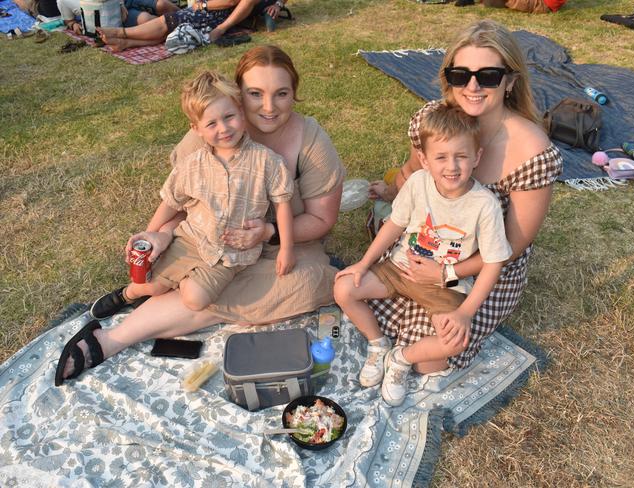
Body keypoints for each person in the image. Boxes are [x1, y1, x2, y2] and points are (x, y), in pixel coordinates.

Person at [55, 45, 345, 385]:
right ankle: (111, 337)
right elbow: (180, 201)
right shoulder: (214, 129)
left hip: (282, 246)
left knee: (310, 282)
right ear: (238, 95)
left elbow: (322, 220)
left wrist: (269, 234)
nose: (269, 107)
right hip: (204, 239)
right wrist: (158, 235)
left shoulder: (310, 139)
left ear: (294, 93)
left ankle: (129, 319)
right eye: (255, 94)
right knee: (205, 283)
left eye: (281, 93)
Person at [366, 19, 562, 375]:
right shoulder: (432, 119)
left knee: (435, 356)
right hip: (426, 238)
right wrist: (391, 192)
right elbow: (413, 172)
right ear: (449, 78)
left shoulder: (532, 151)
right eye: (461, 75)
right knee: (368, 304)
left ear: (510, 81)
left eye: (487, 76)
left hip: (483, 266)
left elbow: (512, 246)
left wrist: (446, 273)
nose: (472, 86)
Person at [334, 102, 512, 406]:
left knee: (453, 343)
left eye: (461, 157)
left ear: (477, 157)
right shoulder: (418, 183)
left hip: (448, 284)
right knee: (344, 288)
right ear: (425, 160)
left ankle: (401, 358)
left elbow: (494, 263)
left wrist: (465, 312)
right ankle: (378, 344)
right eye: (441, 157)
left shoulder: (484, 205)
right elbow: (394, 225)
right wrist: (364, 264)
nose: (451, 166)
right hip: (400, 267)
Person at [96, 0, 264, 51]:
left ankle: (120, 32)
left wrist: (204, 5)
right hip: (215, 9)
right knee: (171, 30)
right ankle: (126, 43)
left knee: (168, 22)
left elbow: (231, 1)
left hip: (216, 14)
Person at [56, 0, 179, 35]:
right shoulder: (63, 1)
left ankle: (193, 15)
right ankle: (185, 27)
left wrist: (120, 3)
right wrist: (73, 25)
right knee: (149, 20)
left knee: (163, 5)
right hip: (114, 14)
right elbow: (69, 19)